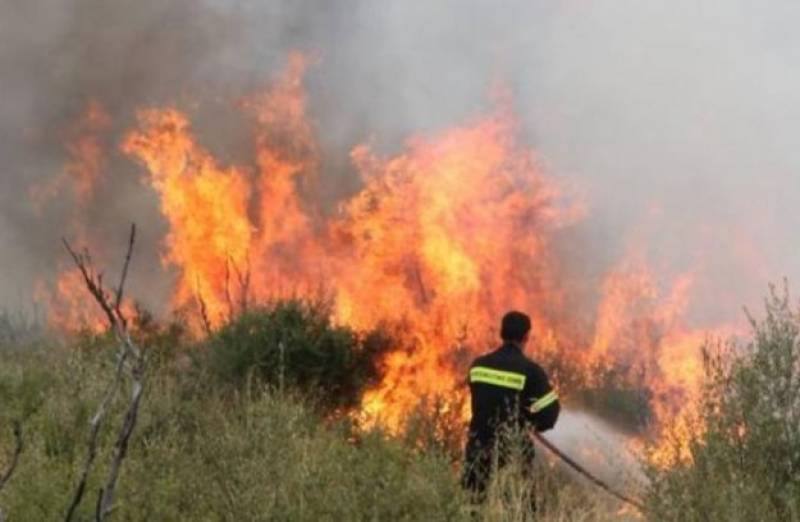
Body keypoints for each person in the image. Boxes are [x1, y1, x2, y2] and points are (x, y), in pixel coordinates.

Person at [461, 310, 561, 499]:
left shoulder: (478, 366)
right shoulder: (531, 371)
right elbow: (550, 413)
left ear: (502, 333)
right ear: (526, 336)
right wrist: (528, 420)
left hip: (478, 449)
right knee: (518, 506)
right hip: (512, 453)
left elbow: (483, 399)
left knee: (473, 505)